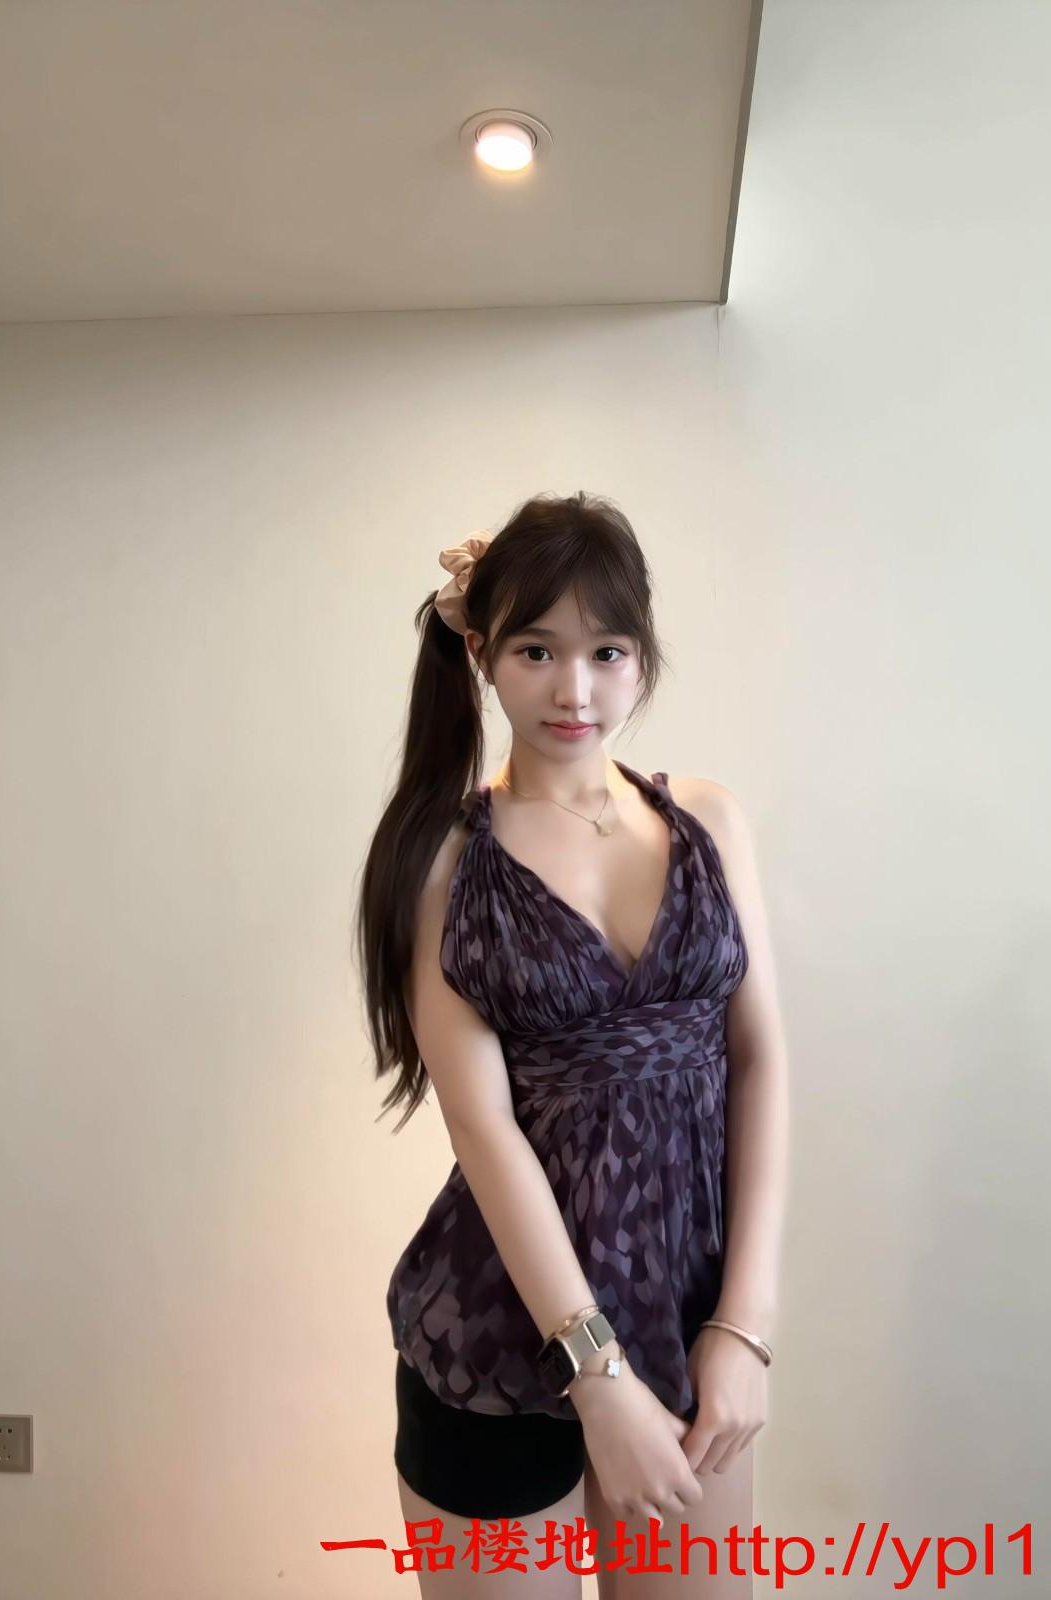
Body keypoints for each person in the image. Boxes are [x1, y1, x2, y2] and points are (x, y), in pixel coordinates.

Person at [355, 491, 790, 1596]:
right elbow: (482, 1126)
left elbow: (759, 1061)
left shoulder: (709, 820)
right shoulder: (441, 859)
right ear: (482, 654)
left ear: (643, 656)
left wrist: (744, 1327)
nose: (575, 689)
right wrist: (596, 1373)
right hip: (496, 1343)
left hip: (688, 1325)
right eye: (537, 650)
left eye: (607, 651)